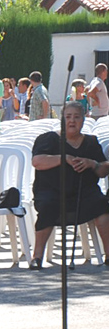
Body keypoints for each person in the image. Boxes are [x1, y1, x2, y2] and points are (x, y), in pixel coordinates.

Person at [28, 100, 109, 269]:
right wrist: (63, 158)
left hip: (84, 192)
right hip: (52, 191)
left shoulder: (91, 142)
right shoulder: (48, 139)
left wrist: (92, 163)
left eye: (77, 117)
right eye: (68, 117)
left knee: (101, 205)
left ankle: (108, 254)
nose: (72, 121)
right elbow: (37, 161)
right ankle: (37, 256)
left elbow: (103, 170)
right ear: (62, 119)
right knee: (48, 205)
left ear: (83, 120)